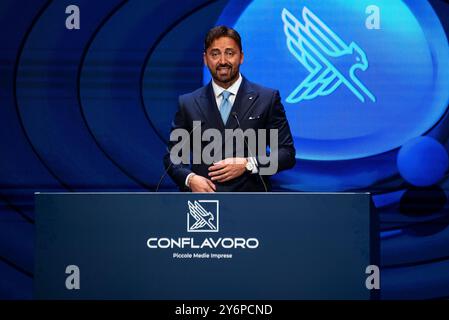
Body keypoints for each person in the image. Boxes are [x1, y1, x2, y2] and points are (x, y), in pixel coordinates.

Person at [163, 25, 296, 192]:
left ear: (241, 57)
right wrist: (190, 179)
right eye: (215, 54)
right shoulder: (188, 103)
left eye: (230, 53)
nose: (223, 61)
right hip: (204, 205)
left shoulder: (266, 99)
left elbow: (287, 154)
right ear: (205, 59)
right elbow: (173, 158)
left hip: (251, 203)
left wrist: (249, 163)